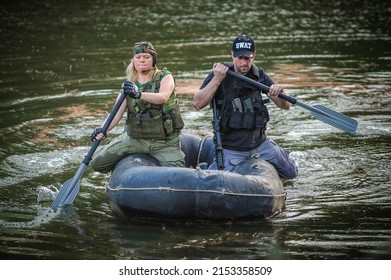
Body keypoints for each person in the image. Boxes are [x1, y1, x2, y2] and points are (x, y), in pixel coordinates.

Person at [193, 35, 298, 179]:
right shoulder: (218, 74)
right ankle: (206, 167)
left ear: (254, 55)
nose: (243, 62)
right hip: (232, 149)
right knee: (212, 181)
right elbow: (197, 104)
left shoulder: (259, 75)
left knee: (291, 174)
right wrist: (217, 79)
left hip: (261, 145)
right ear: (232, 55)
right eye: (240, 58)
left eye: (247, 58)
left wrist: (278, 91)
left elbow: (285, 106)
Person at [90, 41, 186, 173]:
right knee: (97, 164)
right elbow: (116, 114)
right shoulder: (128, 86)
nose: (142, 60)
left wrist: (138, 94)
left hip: (164, 143)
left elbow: (162, 97)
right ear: (133, 61)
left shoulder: (165, 76)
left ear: (153, 60)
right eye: (138, 57)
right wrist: (102, 129)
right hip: (135, 140)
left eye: (146, 57)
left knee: (179, 177)